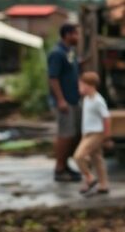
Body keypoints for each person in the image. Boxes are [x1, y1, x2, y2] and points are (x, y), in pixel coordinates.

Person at [47, 22, 82, 182]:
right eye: (76, 34)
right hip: (64, 102)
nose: (78, 37)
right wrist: (61, 100)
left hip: (73, 100)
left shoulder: (70, 52)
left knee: (73, 135)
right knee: (65, 135)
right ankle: (59, 169)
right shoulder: (57, 54)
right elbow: (53, 78)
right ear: (67, 35)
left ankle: (66, 165)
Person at [73, 71, 111, 195]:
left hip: (96, 133)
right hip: (87, 133)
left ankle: (89, 177)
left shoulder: (98, 100)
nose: (79, 88)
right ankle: (103, 184)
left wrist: (107, 136)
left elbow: (106, 117)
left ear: (90, 85)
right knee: (97, 158)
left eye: (81, 85)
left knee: (79, 156)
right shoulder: (86, 99)